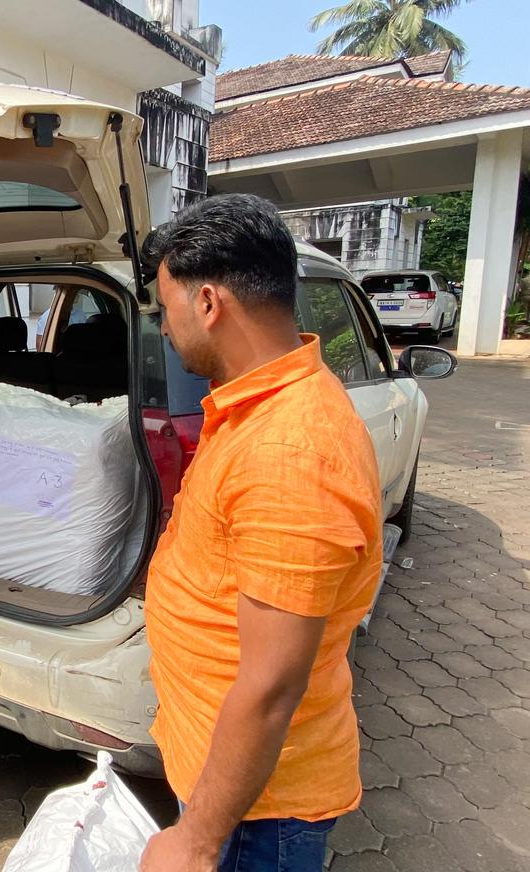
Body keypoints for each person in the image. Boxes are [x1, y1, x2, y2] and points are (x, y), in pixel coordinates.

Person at [138, 194, 382, 872]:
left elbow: (271, 687)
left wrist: (195, 840)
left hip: (256, 816)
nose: (163, 327)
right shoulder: (257, 404)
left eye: (165, 308)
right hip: (230, 781)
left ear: (208, 302)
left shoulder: (292, 450)